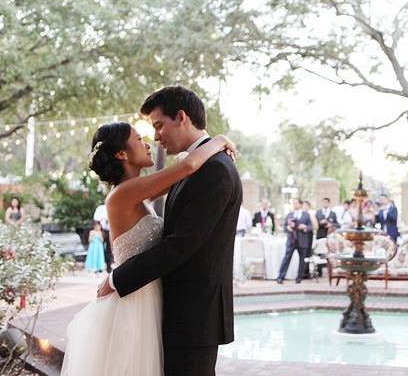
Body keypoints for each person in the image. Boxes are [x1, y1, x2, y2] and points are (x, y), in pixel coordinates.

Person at [67, 87, 241, 376]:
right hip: (147, 303)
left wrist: (118, 278)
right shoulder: (132, 191)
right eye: (142, 137)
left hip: (190, 312)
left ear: (181, 117)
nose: (153, 139)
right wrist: (219, 140)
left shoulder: (213, 171)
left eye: (158, 126)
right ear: (122, 153)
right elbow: (187, 166)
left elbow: (180, 245)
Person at [276, 198, 312, 284]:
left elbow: (311, 226)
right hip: (291, 240)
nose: (294, 205)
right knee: (286, 258)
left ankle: (299, 277)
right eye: (293, 203)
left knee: (302, 259)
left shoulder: (306, 215)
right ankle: (281, 277)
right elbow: (284, 226)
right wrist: (287, 228)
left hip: (302, 240)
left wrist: (305, 227)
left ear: (300, 204)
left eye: (296, 203)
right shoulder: (289, 214)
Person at [92, 204, 113, 272]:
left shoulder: (113, 207)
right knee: (100, 249)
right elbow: (96, 219)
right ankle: (99, 266)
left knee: (109, 249)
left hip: (110, 231)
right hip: (102, 231)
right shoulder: (100, 208)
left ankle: (108, 266)